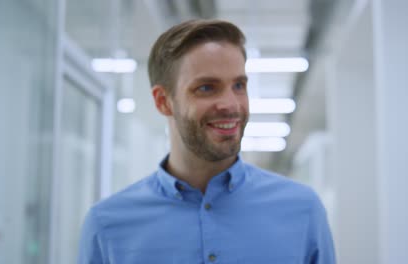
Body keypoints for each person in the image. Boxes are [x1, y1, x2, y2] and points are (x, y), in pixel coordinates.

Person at [78, 19, 336, 264]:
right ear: (163, 101)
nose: (231, 105)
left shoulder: (302, 210)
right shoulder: (107, 225)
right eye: (206, 88)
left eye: (238, 85)